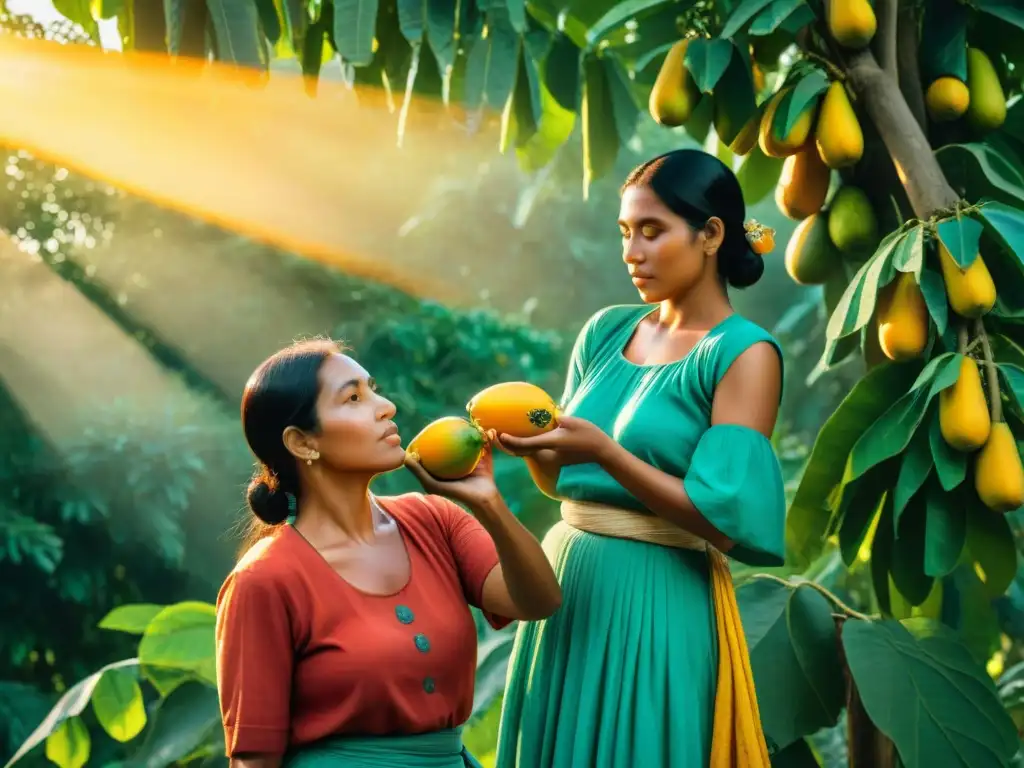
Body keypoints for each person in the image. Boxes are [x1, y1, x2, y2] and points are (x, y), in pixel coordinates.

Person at [493, 148, 786, 768]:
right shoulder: (605, 331)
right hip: (568, 582)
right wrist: (533, 452)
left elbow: (723, 520)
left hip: (661, 596)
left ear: (710, 235)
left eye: (653, 231)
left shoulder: (743, 354)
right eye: (626, 232)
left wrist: (605, 449)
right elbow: (567, 485)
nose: (633, 252)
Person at [214, 338, 562, 768]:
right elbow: (253, 760)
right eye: (354, 398)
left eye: (374, 389)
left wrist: (487, 502)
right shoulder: (263, 580)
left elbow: (538, 600)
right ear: (303, 443)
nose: (386, 407)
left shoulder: (435, 520)